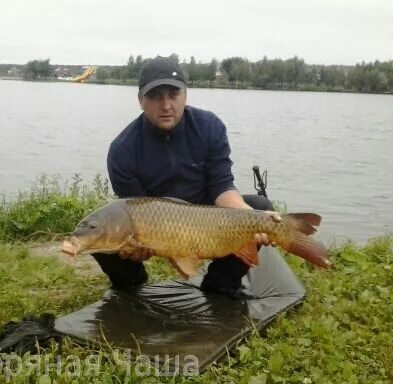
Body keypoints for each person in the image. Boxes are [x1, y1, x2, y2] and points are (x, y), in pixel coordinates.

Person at [92, 56, 280, 299]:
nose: (166, 104)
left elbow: (222, 187)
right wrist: (138, 246)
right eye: (156, 96)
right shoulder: (122, 149)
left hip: (207, 219)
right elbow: (133, 210)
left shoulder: (209, 126)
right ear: (141, 101)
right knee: (98, 231)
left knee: (259, 208)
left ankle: (221, 283)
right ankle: (130, 284)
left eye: (173, 94)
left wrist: (251, 216)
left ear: (185, 95)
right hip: (153, 227)